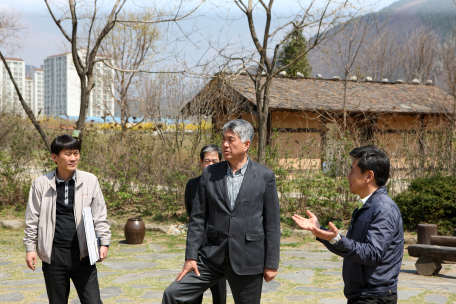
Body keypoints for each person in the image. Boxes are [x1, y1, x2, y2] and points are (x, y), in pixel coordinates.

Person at [163, 119, 281, 304]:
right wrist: (191, 257)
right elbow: (197, 219)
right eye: (224, 139)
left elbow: (272, 224)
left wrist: (271, 264)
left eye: (231, 139)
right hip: (211, 257)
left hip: (248, 259)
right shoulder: (209, 174)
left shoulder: (265, 176)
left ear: (246, 144)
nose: (225, 144)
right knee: (173, 293)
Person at [293, 146, 404, 304]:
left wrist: (338, 239)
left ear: (368, 176)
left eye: (352, 171)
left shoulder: (384, 209)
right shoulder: (367, 206)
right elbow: (351, 250)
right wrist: (320, 231)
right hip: (361, 295)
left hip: (374, 297)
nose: (348, 176)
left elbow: (373, 253)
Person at [23, 135, 111, 304]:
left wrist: (104, 242)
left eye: (76, 153)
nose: (73, 158)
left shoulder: (90, 180)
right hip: (53, 255)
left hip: (83, 253)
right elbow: (32, 218)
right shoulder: (40, 184)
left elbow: (99, 214)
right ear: (54, 157)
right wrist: (30, 248)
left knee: (93, 301)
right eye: (68, 153)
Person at [184, 144, 226, 304]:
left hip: (219, 246)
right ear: (201, 162)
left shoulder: (226, 184)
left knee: (219, 294)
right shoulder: (192, 185)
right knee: (194, 293)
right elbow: (192, 214)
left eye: (215, 161)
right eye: (207, 161)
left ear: (221, 162)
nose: (210, 164)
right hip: (198, 247)